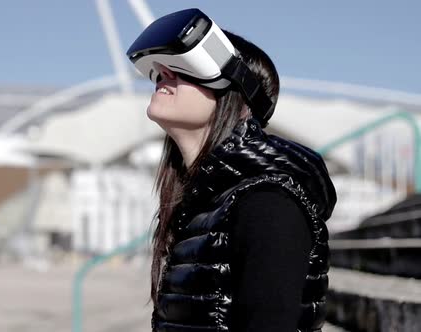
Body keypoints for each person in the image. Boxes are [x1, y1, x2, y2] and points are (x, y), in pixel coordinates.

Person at [126, 8, 337, 332]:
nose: (163, 74)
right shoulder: (204, 204)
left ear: (238, 94)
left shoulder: (267, 203)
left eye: (185, 66)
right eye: (160, 68)